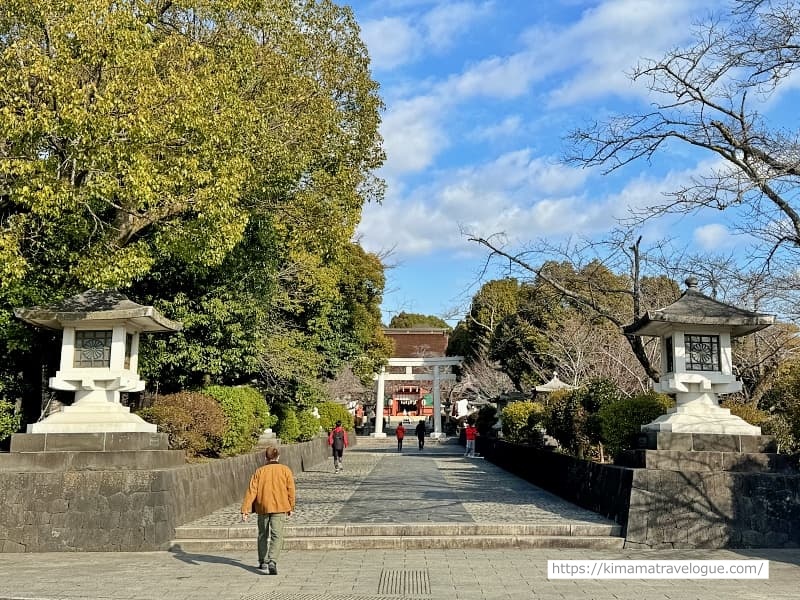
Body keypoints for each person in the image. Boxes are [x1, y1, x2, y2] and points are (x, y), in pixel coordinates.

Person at [240, 446, 295, 575]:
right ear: (278, 457)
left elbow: (251, 491)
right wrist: (291, 506)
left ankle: (263, 560)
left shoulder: (260, 471)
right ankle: (273, 560)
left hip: (263, 506)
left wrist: (245, 509)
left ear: (266, 457)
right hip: (280, 507)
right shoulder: (285, 470)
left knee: (262, 534)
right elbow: (291, 490)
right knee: (277, 535)